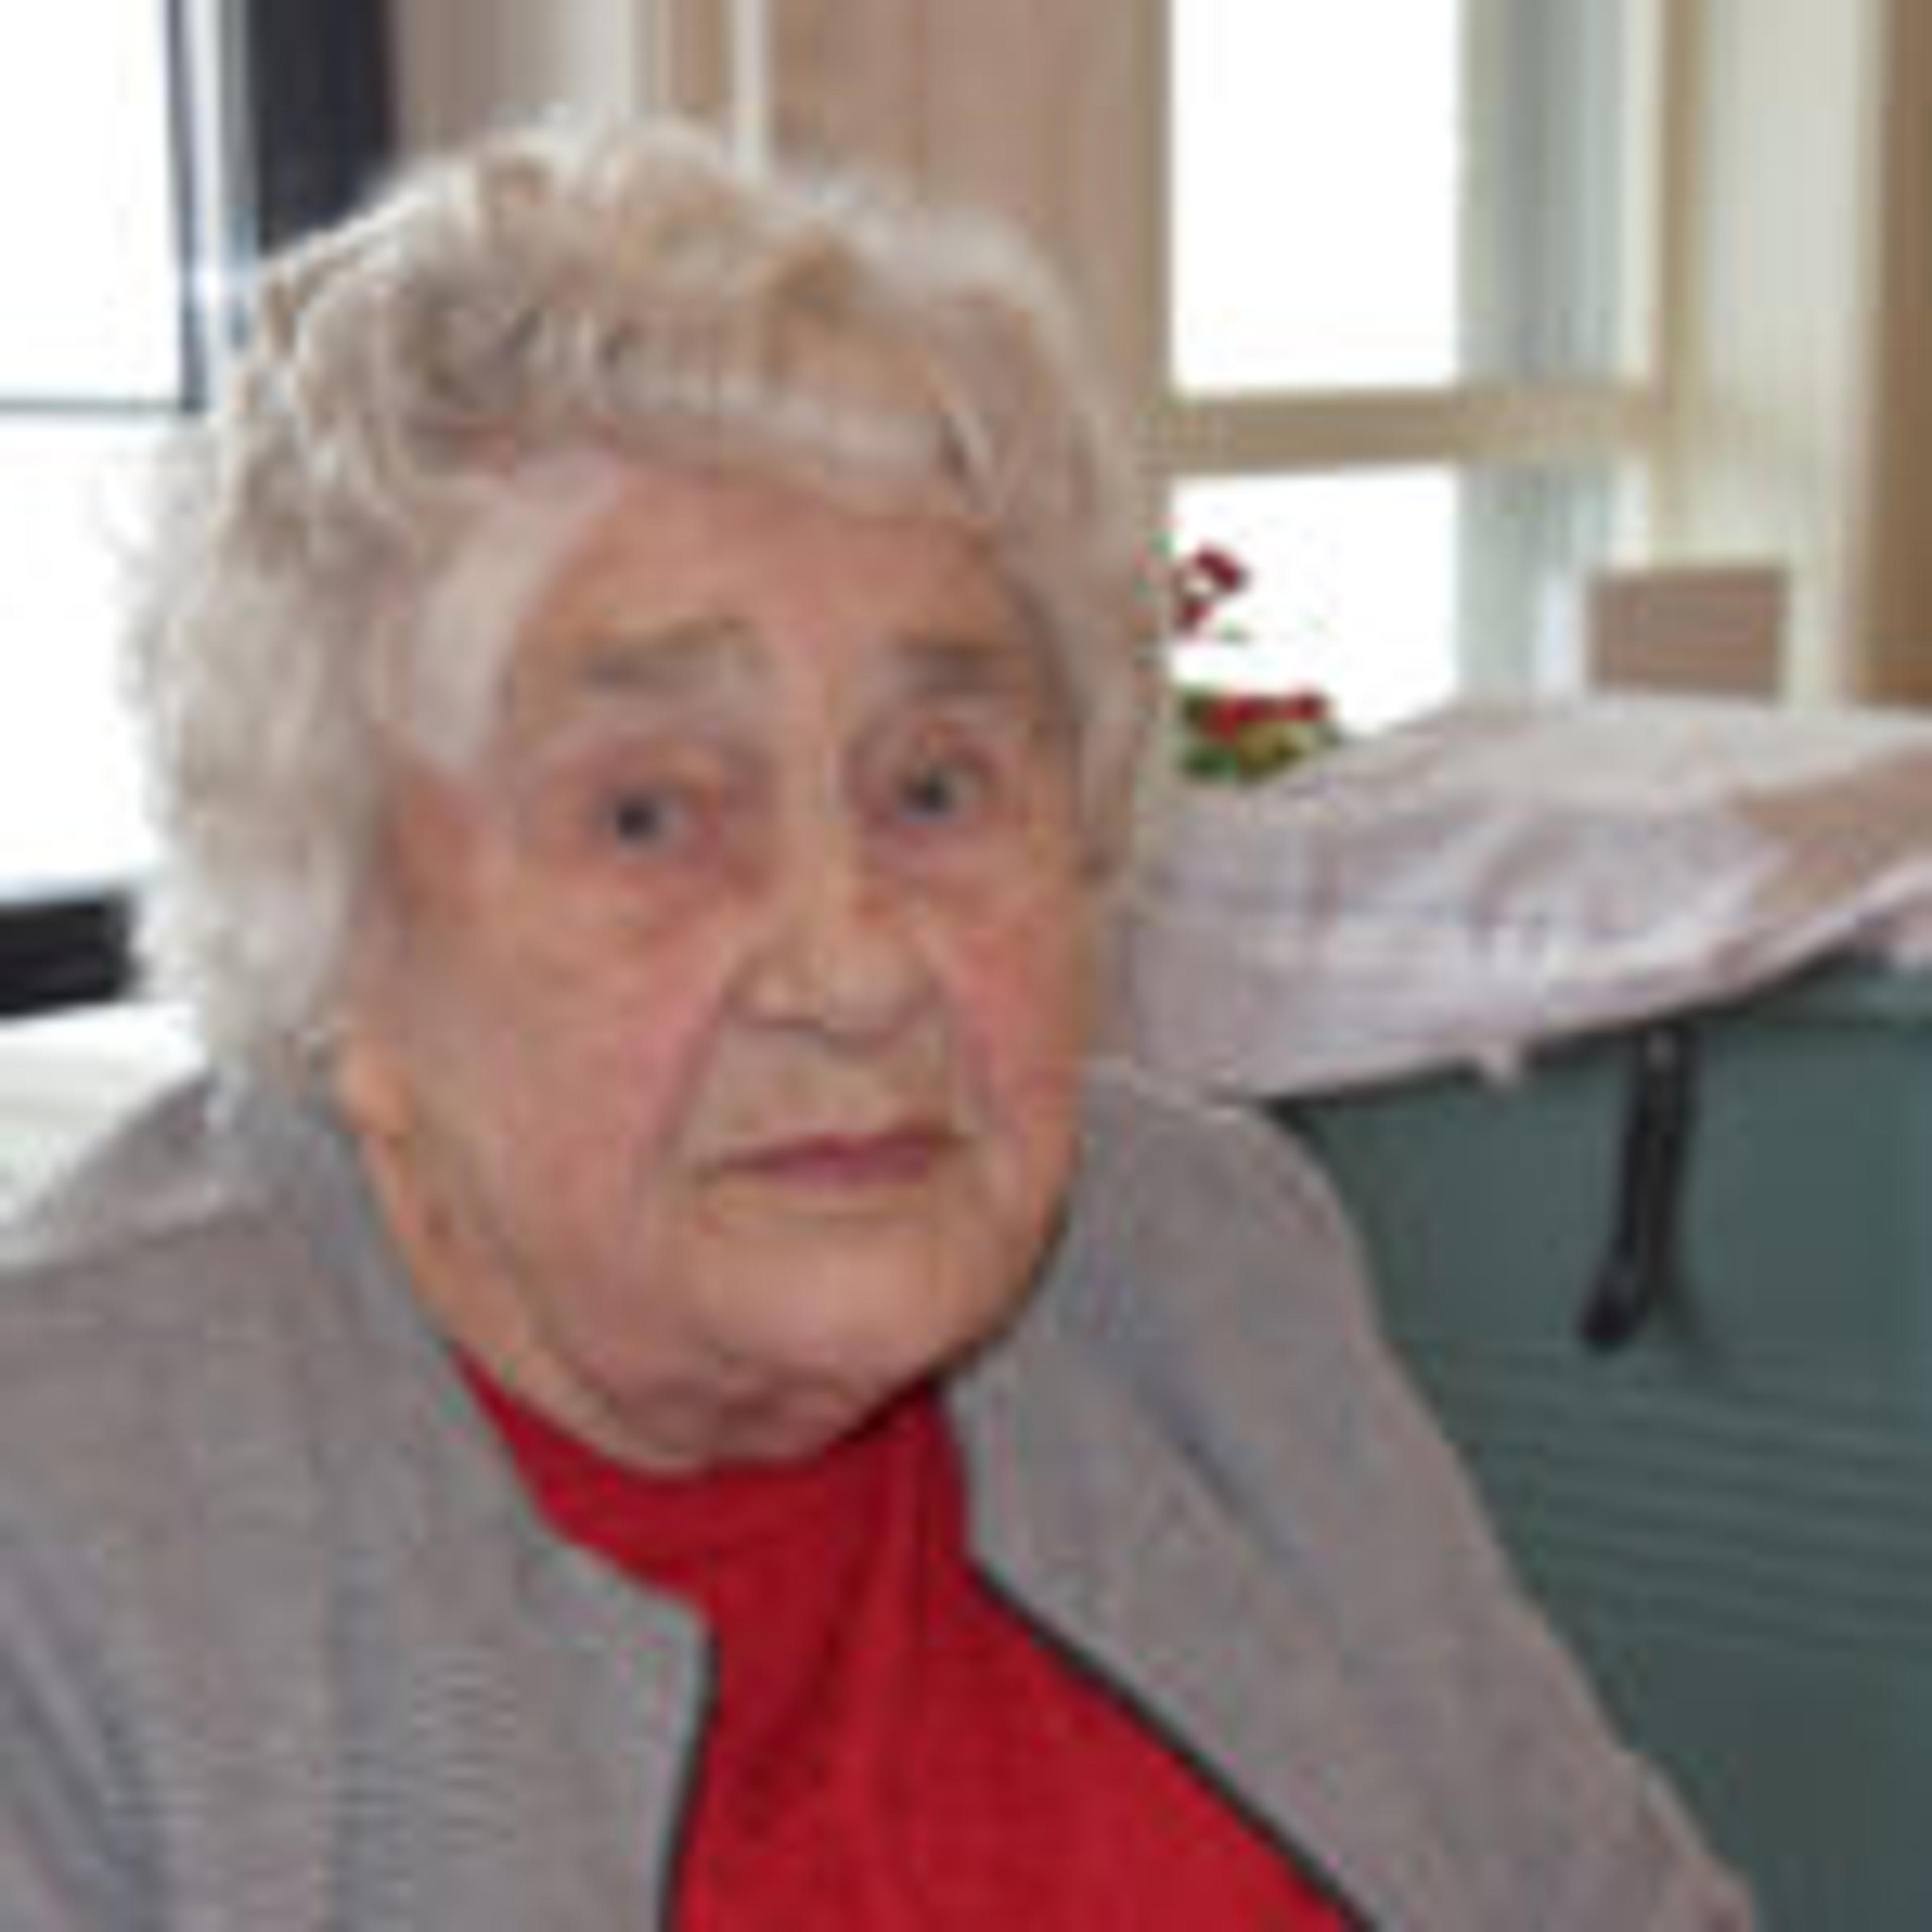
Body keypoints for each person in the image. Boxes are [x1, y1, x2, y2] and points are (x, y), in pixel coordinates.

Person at [0, 117, 1753, 1928]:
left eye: (934, 788)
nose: (851, 971)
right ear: (337, 931)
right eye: (648, 816)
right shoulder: (71, 1521)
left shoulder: (1195, 1262)